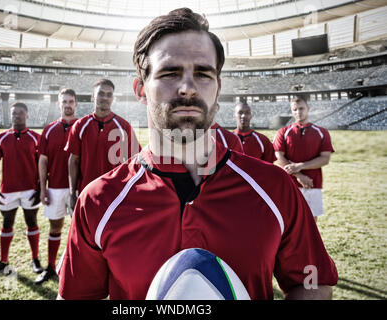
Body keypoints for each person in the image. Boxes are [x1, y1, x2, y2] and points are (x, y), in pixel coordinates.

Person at [58, 8, 337, 300]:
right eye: (170, 72)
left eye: (203, 73)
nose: (188, 87)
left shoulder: (275, 187)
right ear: (140, 90)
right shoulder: (99, 201)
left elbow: (311, 282)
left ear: (218, 90)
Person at [65, 79, 141, 210]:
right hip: (86, 191)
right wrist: (72, 193)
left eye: (109, 94)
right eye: (101, 93)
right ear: (93, 96)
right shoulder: (80, 125)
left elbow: (135, 161)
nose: (105, 98)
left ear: (113, 98)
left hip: (114, 193)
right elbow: (74, 161)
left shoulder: (123, 126)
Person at [0, 102, 42, 276]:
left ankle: (35, 259)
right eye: (14, 113)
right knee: (7, 223)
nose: (17, 115)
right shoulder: (1, 137)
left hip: (30, 189)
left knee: (31, 222)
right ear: (11, 115)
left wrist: (40, 189)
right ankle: (3, 261)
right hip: (7, 190)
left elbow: (43, 165)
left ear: (27, 115)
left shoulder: (36, 138)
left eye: (21, 113)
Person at [34, 89, 78, 284]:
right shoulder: (49, 129)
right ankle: (51, 267)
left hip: (78, 188)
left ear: (76, 104)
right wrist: (43, 188)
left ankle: (75, 270)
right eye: (64, 102)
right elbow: (43, 161)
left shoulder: (83, 125)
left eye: (71, 101)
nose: (67, 105)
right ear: (59, 104)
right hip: (55, 187)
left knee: (80, 231)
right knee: (55, 227)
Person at [273, 95, 334, 220]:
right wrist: (299, 175)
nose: (298, 112)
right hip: (290, 184)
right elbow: (279, 157)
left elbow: (325, 158)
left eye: (301, 108)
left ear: (308, 108)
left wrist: (299, 166)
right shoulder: (283, 132)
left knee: (311, 221)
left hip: (312, 183)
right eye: (295, 109)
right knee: (289, 220)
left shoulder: (322, 132)